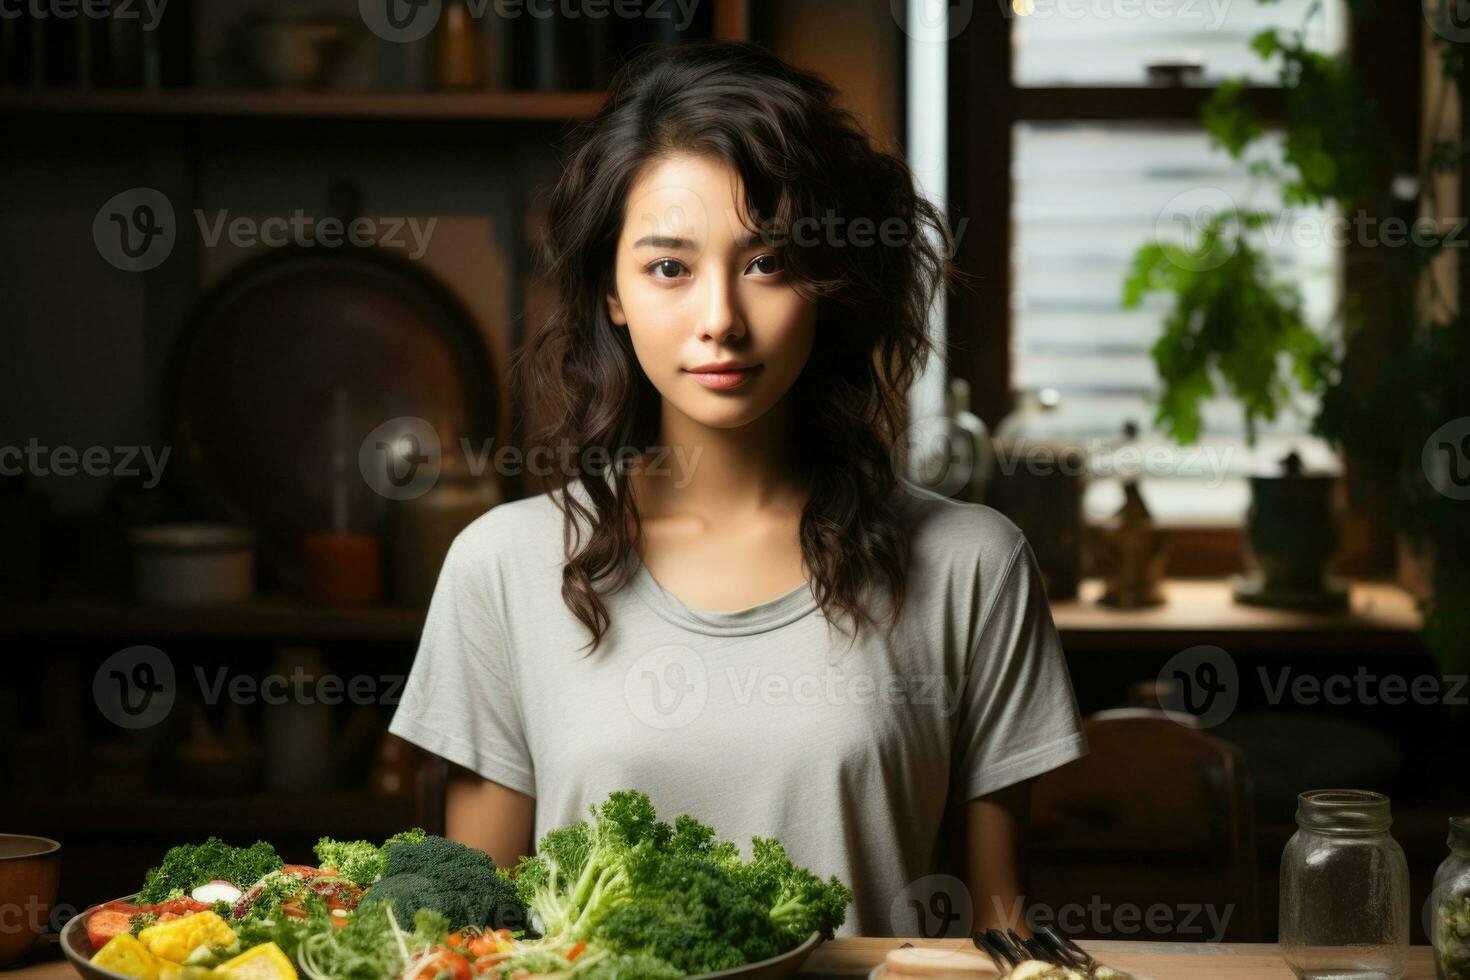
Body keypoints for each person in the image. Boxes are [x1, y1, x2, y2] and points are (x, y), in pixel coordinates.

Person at [388, 40, 1087, 939]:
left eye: (766, 262)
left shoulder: (971, 566)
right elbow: (468, 941)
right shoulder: (502, 567)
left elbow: (1004, 937)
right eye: (669, 267)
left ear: (828, 284)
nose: (720, 318)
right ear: (612, 291)